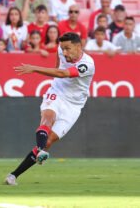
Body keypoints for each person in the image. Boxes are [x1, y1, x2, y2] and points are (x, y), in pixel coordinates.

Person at [5, 32, 95, 185]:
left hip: (74, 105)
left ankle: (20, 169)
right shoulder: (61, 50)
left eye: (68, 49)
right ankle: (13, 176)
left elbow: (62, 73)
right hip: (57, 92)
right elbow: (57, 68)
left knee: (48, 142)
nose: (64, 52)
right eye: (62, 48)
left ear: (79, 46)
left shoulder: (87, 64)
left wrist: (33, 68)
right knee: (48, 117)